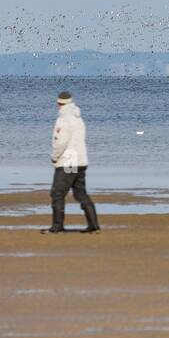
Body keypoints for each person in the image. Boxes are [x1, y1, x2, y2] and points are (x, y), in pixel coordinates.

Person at [44, 91, 100, 234]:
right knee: (80, 193)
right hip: (81, 160)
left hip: (68, 160)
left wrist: (55, 157)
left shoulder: (63, 119)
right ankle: (94, 226)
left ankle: (57, 227)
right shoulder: (78, 118)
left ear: (58, 103)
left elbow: (60, 142)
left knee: (57, 193)